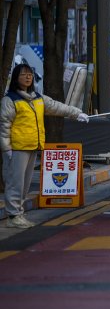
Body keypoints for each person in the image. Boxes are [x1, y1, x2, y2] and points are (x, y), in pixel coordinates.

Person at [1, 63, 89, 228]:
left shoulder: (37, 98)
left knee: (25, 184)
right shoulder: (10, 100)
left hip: (33, 146)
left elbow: (57, 107)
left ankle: (18, 215)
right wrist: (7, 150)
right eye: (23, 74)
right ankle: (13, 217)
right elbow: (3, 127)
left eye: (30, 74)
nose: (28, 77)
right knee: (15, 183)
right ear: (15, 78)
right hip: (17, 148)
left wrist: (77, 114)